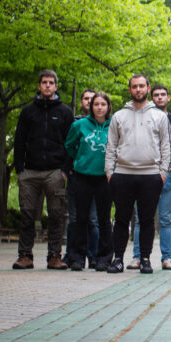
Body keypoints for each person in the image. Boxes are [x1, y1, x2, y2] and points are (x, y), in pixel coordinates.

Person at [104, 74, 171, 274]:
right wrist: (110, 173)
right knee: (122, 219)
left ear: (148, 88)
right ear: (130, 90)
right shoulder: (118, 116)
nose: (138, 89)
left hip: (151, 175)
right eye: (135, 86)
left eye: (142, 86)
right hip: (122, 174)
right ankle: (118, 259)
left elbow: (167, 147)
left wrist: (163, 173)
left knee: (147, 219)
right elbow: (111, 147)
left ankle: (145, 259)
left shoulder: (159, 117)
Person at [12, 70, 74, 270]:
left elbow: (71, 144)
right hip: (29, 172)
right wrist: (20, 169)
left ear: (56, 86)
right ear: (39, 86)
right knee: (27, 215)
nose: (47, 85)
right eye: (44, 82)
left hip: (55, 172)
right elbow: (19, 140)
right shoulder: (28, 112)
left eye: (51, 82)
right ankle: (25, 256)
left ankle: (55, 256)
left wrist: (65, 170)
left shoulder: (65, 112)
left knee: (56, 215)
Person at [126, 84, 171, 270]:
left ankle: (166, 258)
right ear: (152, 98)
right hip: (144, 173)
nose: (160, 98)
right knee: (142, 217)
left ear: (169, 98)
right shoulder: (144, 119)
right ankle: (138, 257)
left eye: (163, 95)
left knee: (166, 219)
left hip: (167, 176)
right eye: (156, 95)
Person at [64, 92, 113, 271]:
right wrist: (79, 159)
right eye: (96, 104)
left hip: (105, 177)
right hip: (82, 176)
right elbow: (69, 145)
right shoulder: (79, 125)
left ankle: (104, 258)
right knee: (80, 218)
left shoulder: (115, 125)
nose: (100, 107)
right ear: (91, 107)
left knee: (103, 219)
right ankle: (77, 258)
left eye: (103, 104)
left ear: (108, 107)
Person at [65, 89, 98, 268]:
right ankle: (72, 255)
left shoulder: (105, 124)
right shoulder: (75, 123)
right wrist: (71, 166)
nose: (89, 102)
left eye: (93, 99)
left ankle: (93, 256)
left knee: (93, 220)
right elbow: (68, 146)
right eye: (86, 99)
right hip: (77, 177)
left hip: (97, 177)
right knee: (75, 218)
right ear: (81, 102)